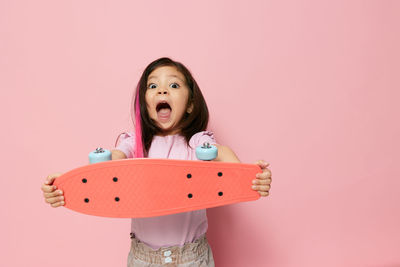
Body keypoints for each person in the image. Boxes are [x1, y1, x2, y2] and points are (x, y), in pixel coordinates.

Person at [41, 57, 272, 266]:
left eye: (173, 85)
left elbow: (221, 153)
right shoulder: (136, 144)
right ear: (145, 104)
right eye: (153, 86)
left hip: (192, 259)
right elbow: (115, 159)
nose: (162, 90)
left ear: (190, 104)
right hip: (143, 259)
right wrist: (63, 188)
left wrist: (251, 177)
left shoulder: (196, 143)